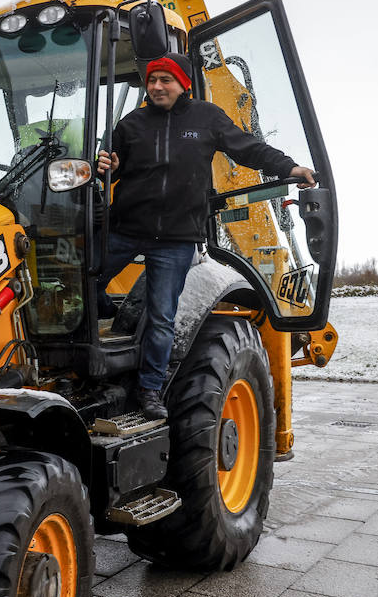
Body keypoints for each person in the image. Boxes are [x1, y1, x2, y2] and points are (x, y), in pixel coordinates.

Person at [96, 53, 316, 420]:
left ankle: (149, 391)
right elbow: (106, 168)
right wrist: (108, 167)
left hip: (176, 240)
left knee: (163, 316)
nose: (157, 87)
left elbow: (249, 149)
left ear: (182, 83)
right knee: (78, 285)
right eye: (152, 81)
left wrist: (288, 166)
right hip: (127, 230)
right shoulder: (131, 124)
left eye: (165, 80)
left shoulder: (206, 118)